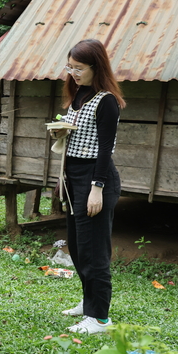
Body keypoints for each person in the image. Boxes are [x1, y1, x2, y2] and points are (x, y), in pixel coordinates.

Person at [53, 39, 126, 335]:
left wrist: (97, 188)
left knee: (95, 250)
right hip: (73, 176)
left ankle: (100, 319)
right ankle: (88, 302)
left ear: (96, 66)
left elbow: (105, 148)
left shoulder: (106, 101)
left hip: (97, 179)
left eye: (79, 68)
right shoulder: (79, 93)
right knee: (79, 246)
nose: (73, 73)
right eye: (70, 67)